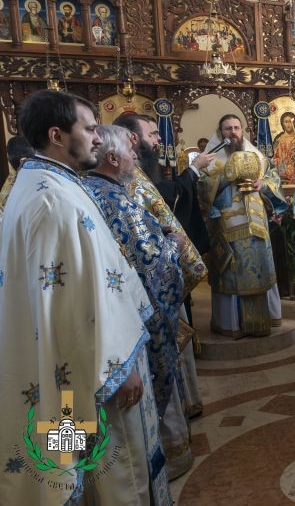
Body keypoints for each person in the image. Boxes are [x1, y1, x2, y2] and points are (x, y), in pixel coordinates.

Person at [0, 90, 171, 504]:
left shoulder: (43, 182)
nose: (99, 138)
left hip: (72, 365)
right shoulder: (53, 200)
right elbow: (72, 301)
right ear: (58, 135)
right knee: (119, 473)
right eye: (90, 128)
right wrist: (119, 367)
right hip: (96, 371)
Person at [84, 125, 194, 483]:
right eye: (130, 152)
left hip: (94, 333)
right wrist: (172, 247)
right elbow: (150, 263)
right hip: (122, 335)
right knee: (127, 428)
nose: (135, 157)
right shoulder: (112, 196)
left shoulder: (82, 190)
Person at [114, 114, 208, 430]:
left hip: (153, 284)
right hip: (145, 291)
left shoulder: (133, 177)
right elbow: (142, 248)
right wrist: (173, 247)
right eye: (152, 134)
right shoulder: (124, 182)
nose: (157, 140)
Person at [198, 114, 286, 338]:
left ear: (243, 130)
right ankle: (232, 324)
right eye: (228, 129)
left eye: (237, 128)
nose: (233, 132)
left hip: (257, 224)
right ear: (220, 133)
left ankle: (265, 319)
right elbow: (201, 191)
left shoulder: (257, 156)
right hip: (227, 226)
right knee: (231, 271)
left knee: (260, 269)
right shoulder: (211, 160)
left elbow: (273, 179)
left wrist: (262, 185)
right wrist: (227, 177)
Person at [272, 112, 295, 184]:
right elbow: (275, 156)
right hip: (282, 170)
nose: (288, 124)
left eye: (290, 122)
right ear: (282, 124)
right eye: (286, 122)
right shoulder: (279, 138)